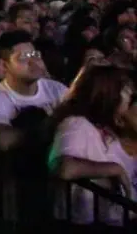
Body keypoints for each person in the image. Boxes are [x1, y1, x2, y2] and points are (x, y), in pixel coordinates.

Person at [47, 65, 137, 224]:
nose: (130, 95)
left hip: (108, 224)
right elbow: (64, 168)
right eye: (124, 90)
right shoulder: (76, 124)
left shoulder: (107, 129)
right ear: (106, 94)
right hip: (83, 230)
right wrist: (114, 169)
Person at [0, 31, 69, 153]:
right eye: (23, 58)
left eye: (35, 55)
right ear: (4, 65)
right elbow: (3, 139)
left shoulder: (56, 89)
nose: (33, 62)